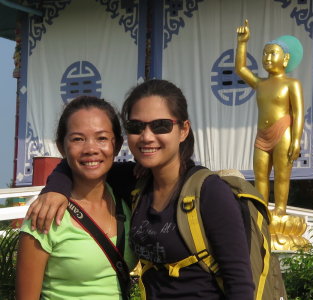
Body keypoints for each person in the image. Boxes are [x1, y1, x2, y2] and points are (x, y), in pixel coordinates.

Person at [26, 80, 254, 299]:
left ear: (184, 130)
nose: (147, 137)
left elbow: (240, 284)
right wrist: (56, 189)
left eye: (160, 125)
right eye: (136, 127)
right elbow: (83, 162)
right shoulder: (135, 184)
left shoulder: (209, 193)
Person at [16, 96, 136, 300]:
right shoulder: (45, 214)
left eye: (102, 138)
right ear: (61, 147)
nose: (91, 149)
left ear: (116, 146)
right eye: (78, 139)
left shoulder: (127, 200)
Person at [235, 20, 304, 217]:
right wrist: (242, 43)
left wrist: (297, 140)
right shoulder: (260, 83)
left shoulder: (292, 84)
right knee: (260, 175)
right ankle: (261, 208)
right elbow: (241, 69)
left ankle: (280, 208)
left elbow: (298, 113)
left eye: (273, 53)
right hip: (262, 134)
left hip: (283, 132)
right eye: (265, 53)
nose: (267, 57)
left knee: (282, 175)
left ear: (285, 58)